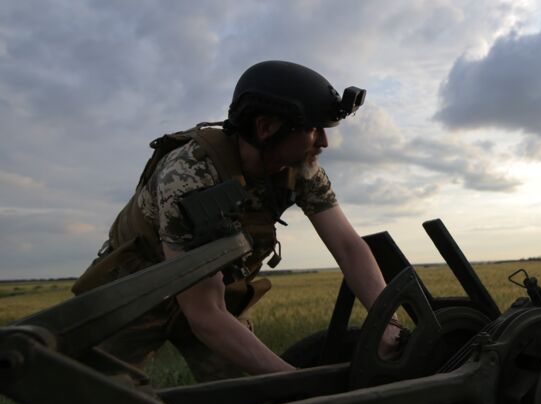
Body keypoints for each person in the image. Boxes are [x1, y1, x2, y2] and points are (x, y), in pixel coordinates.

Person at [73, 60, 400, 380]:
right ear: (266, 128)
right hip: (135, 293)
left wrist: (388, 325)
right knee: (99, 398)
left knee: (248, 397)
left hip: (215, 289)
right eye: (313, 130)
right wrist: (298, 385)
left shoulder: (301, 169)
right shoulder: (190, 177)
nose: (324, 142)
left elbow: (348, 247)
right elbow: (204, 314)